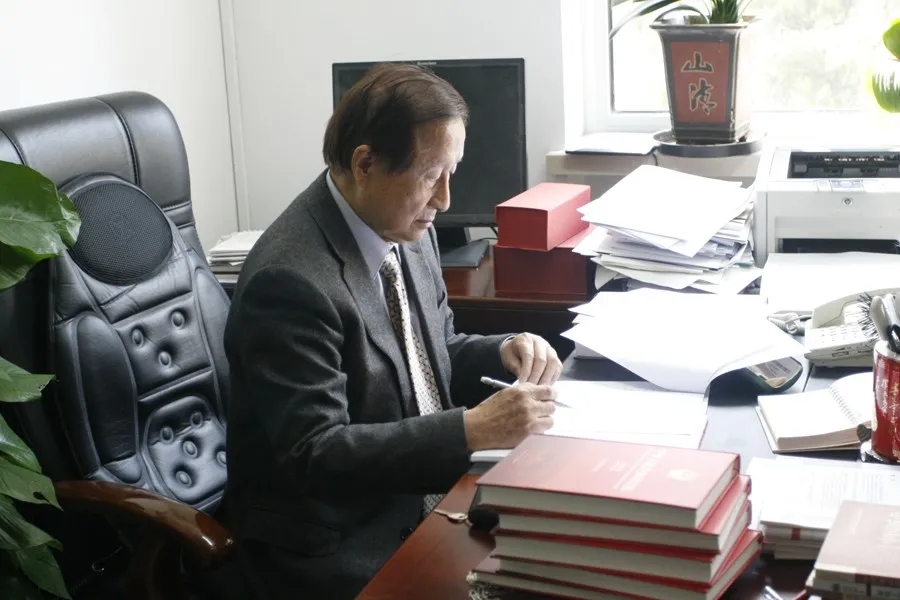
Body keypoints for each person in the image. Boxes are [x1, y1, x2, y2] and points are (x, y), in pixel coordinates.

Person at [221, 62, 563, 599]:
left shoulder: (405, 227)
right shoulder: (289, 281)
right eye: (431, 176)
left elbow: (429, 357)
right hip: (338, 546)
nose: (445, 199)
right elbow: (315, 454)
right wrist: (470, 430)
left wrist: (503, 351)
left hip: (424, 504)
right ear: (366, 164)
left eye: (452, 172)